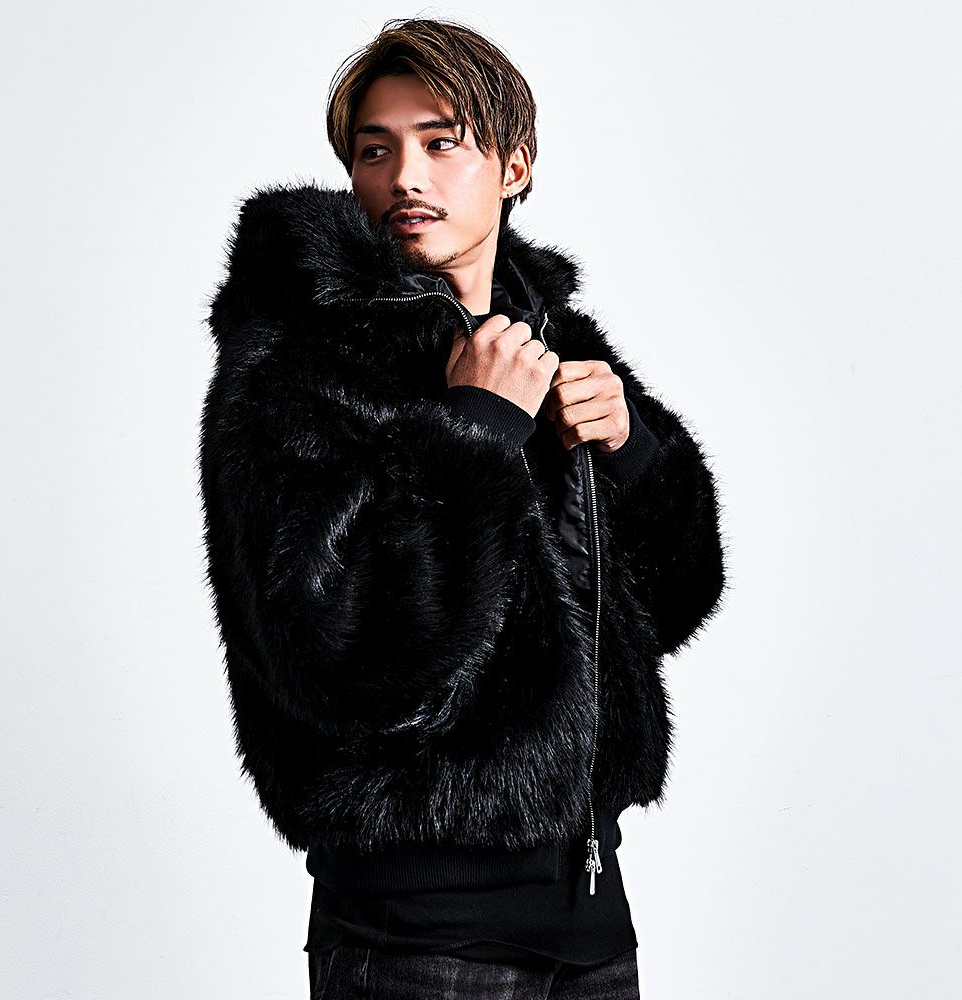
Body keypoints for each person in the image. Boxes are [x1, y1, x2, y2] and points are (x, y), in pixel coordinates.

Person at [198, 16, 728, 998]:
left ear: (514, 167)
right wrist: (474, 432)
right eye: (375, 150)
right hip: (414, 936)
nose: (406, 176)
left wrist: (635, 454)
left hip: (589, 920)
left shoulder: (550, 344)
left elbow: (675, 601)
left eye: (442, 143)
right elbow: (330, 652)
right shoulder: (300, 362)